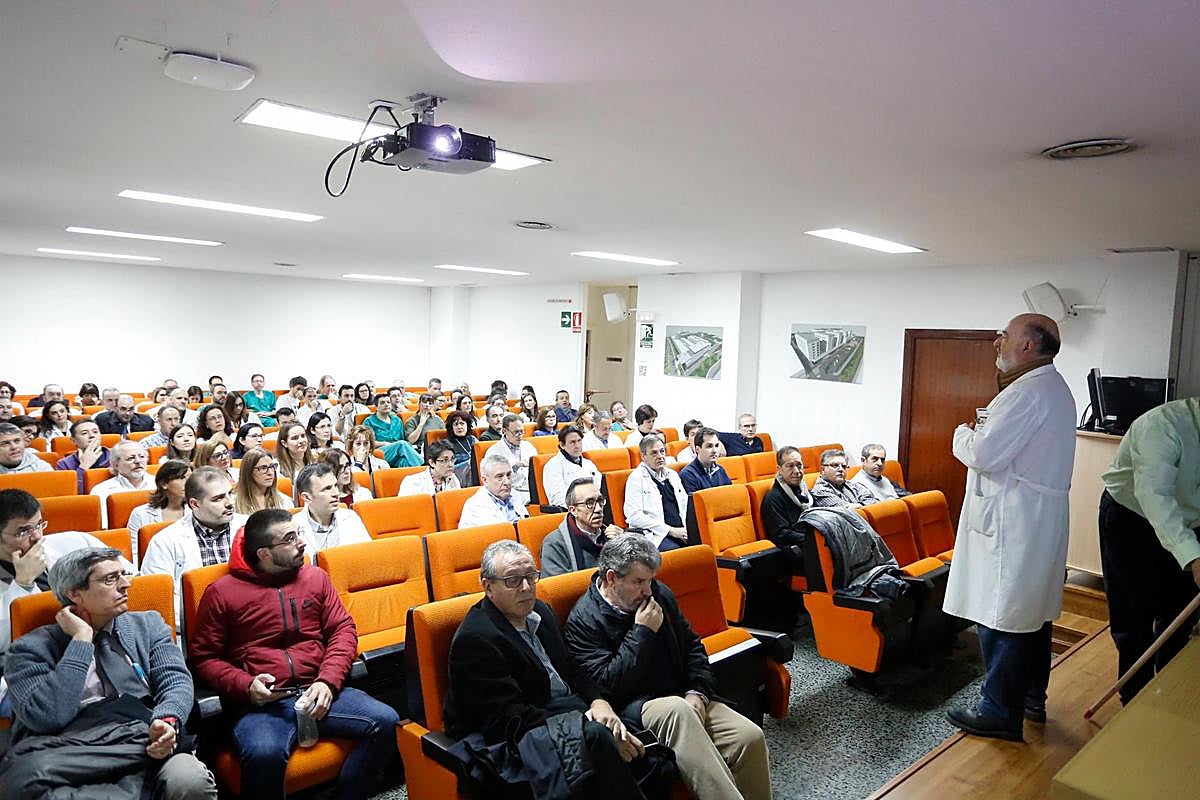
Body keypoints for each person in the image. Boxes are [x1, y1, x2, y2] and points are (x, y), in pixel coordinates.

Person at [188, 508, 399, 799]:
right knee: (264, 754)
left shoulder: (315, 578)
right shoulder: (222, 593)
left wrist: (327, 680)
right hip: (264, 705)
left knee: (386, 720)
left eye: (298, 533)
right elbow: (203, 658)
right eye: (290, 538)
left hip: (318, 689)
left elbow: (342, 631)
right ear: (263, 553)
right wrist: (246, 685)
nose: (301, 542)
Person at [944, 313, 1075, 741]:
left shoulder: (1027, 394)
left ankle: (999, 710)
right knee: (1031, 612)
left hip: (1013, 521)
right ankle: (1032, 698)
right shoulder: (1052, 387)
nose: (997, 342)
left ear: (1028, 347)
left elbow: (984, 453)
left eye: (1006, 336)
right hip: (1032, 518)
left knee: (1002, 614)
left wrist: (961, 434)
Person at [565, 534, 772, 800]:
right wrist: (642, 633)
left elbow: (693, 648)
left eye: (650, 580)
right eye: (638, 582)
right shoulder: (584, 619)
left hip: (680, 695)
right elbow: (607, 687)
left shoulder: (659, 594)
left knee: (748, 737)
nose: (648, 590)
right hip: (634, 709)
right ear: (611, 578)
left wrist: (697, 691)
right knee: (676, 710)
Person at [0, 547, 217, 799]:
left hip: (149, 736)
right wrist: (82, 641)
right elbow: (48, 716)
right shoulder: (29, 650)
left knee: (189, 779)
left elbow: (176, 680)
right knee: (31, 776)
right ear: (74, 594)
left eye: (124, 574)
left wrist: (167, 720)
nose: (125, 585)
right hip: (73, 752)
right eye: (110, 579)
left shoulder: (148, 625)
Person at [442, 539, 650, 799]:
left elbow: (571, 668)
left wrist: (598, 702)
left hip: (561, 710)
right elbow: (507, 719)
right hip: (512, 738)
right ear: (488, 586)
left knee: (636, 734)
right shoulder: (476, 639)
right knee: (597, 736)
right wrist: (582, 718)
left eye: (531, 576)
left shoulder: (540, 611)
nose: (526, 587)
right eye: (513, 580)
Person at [1099, 395, 1200, 703]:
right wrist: (1194, 557)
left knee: (1179, 616)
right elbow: (1156, 498)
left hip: (1190, 524)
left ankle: (1168, 695)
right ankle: (1134, 697)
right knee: (1134, 618)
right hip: (1133, 519)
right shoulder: (1162, 425)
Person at [0, 489, 135, 668]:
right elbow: (4, 642)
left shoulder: (75, 542)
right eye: (23, 531)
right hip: (36, 661)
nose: (38, 537)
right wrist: (23, 583)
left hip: (105, 643)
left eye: (39, 525)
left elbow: (133, 577)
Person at [140, 467, 248, 624]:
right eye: (218, 498)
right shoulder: (164, 541)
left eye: (230, 494)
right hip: (195, 626)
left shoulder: (250, 526)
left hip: (250, 620)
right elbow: (159, 600)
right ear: (195, 504)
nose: (230, 503)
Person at [542, 478, 624, 577]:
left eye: (600, 501)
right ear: (573, 510)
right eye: (590, 503)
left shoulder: (612, 535)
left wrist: (622, 543)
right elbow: (561, 588)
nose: (598, 509)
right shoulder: (555, 543)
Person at [624, 435, 689, 552]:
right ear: (643, 456)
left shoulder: (672, 475)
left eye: (662, 451)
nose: (660, 456)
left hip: (681, 531)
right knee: (677, 553)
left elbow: (685, 505)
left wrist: (686, 529)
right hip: (655, 534)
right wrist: (670, 530)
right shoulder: (636, 479)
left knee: (704, 547)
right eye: (654, 453)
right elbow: (634, 517)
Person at [292, 463, 371, 556]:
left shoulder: (351, 517)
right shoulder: (293, 526)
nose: (336, 493)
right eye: (327, 489)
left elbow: (368, 556)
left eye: (336, 486)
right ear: (307, 497)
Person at [128, 459, 192, 564]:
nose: (187, 483)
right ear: (164, 484)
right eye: (181, 478)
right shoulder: (140, 514)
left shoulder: (197, 511)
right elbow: (134, 553)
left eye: (190, 478)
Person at [760, 446, 813, 565]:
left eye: (799, 465)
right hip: (795, 552)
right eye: (790, 466)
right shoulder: (773, 498)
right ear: (779, 469)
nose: (797, 471)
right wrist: (813, 538)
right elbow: (782, 534)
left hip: (813, 542)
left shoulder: (806, 492)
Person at [90, 440, 156, 525]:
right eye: (131, 458)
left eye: (142, 456)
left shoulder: (160, 484)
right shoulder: (101, 491)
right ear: (116, 465)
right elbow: (103, 526)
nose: (138, 461)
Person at [459, 454, 530, 527]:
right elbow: (498, 535)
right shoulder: (475, 506)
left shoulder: (514, 494)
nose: (507, 482)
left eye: (508, 475)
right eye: (500, 476)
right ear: (485, 480)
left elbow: (525, 523)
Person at [485, 413, 538, 507]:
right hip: (508, 492)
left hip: (531, 490)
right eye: (516, 432)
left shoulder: (529, 446)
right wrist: (515, 466)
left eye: (522, 431)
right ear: (504, 431)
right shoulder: (494, 452)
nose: (520, 435)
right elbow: (492, 481)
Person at [542, 425, 601, 508]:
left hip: (594, 508)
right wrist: (583, 506)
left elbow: (599, 488)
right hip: (572, 511)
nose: (577, 446)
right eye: (572, 442)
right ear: (562, 445)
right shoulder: (553, 466)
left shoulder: (589, 464)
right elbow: (557, 498)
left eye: (579, 441)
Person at [55, 419, 111, 492]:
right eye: (84, 433)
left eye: (95, 432)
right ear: (73, 440)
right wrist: (83, 467)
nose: (92, 436)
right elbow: (69, 493)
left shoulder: (116, 457)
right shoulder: (64, 464)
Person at [234, 448, 294, 514]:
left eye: (272, 466)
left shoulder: (284, 501)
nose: (270, 473)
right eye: (263, 468)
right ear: (249, 472)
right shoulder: (233, 503)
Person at [809, 449, 876, 509]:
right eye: (835, 465)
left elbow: (873, 501)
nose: (841, 469)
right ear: (823, 469)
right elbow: (847, 510)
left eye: (844, 466)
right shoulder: (820, 491)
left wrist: (860, 505)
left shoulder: (853, 484)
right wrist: (864, 505)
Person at [679, 427, 732, 495]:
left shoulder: (720, 470)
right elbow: (695, 504)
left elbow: (730, 495)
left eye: (716, 445)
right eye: (709, 446)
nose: (714, 451)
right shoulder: (688, 475)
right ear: (698, 449)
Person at [443, 411, 478, 488]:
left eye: (462, 424)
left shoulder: (473, 440)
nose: (459, 427)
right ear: (451, 428)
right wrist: (467, 463)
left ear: (467, 425)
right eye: (456, 424)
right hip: (456, 475)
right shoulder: (447, 444)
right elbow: (447, 467)